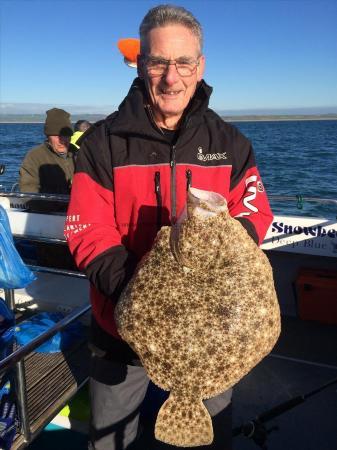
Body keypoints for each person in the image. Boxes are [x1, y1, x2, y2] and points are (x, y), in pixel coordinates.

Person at [65, 4, 273, 450]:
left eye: (182, 62)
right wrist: (139, 299)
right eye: (158, 62)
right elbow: (87, 232)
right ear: (141, 65)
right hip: (119, 332)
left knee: (208, 443)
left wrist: (222, 262)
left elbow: (255, 212)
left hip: (214, 332)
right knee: (108, 442)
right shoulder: (103, 144)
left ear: (200, 66)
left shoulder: (231, 144)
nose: (171, 77)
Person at [19, 108, 75, 194]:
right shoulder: (34, 156)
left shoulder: (78, 153)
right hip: (48, 206)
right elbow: (28, 190)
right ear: (48, 137)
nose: (62, 140)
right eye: (57, 136)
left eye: (66, 135)